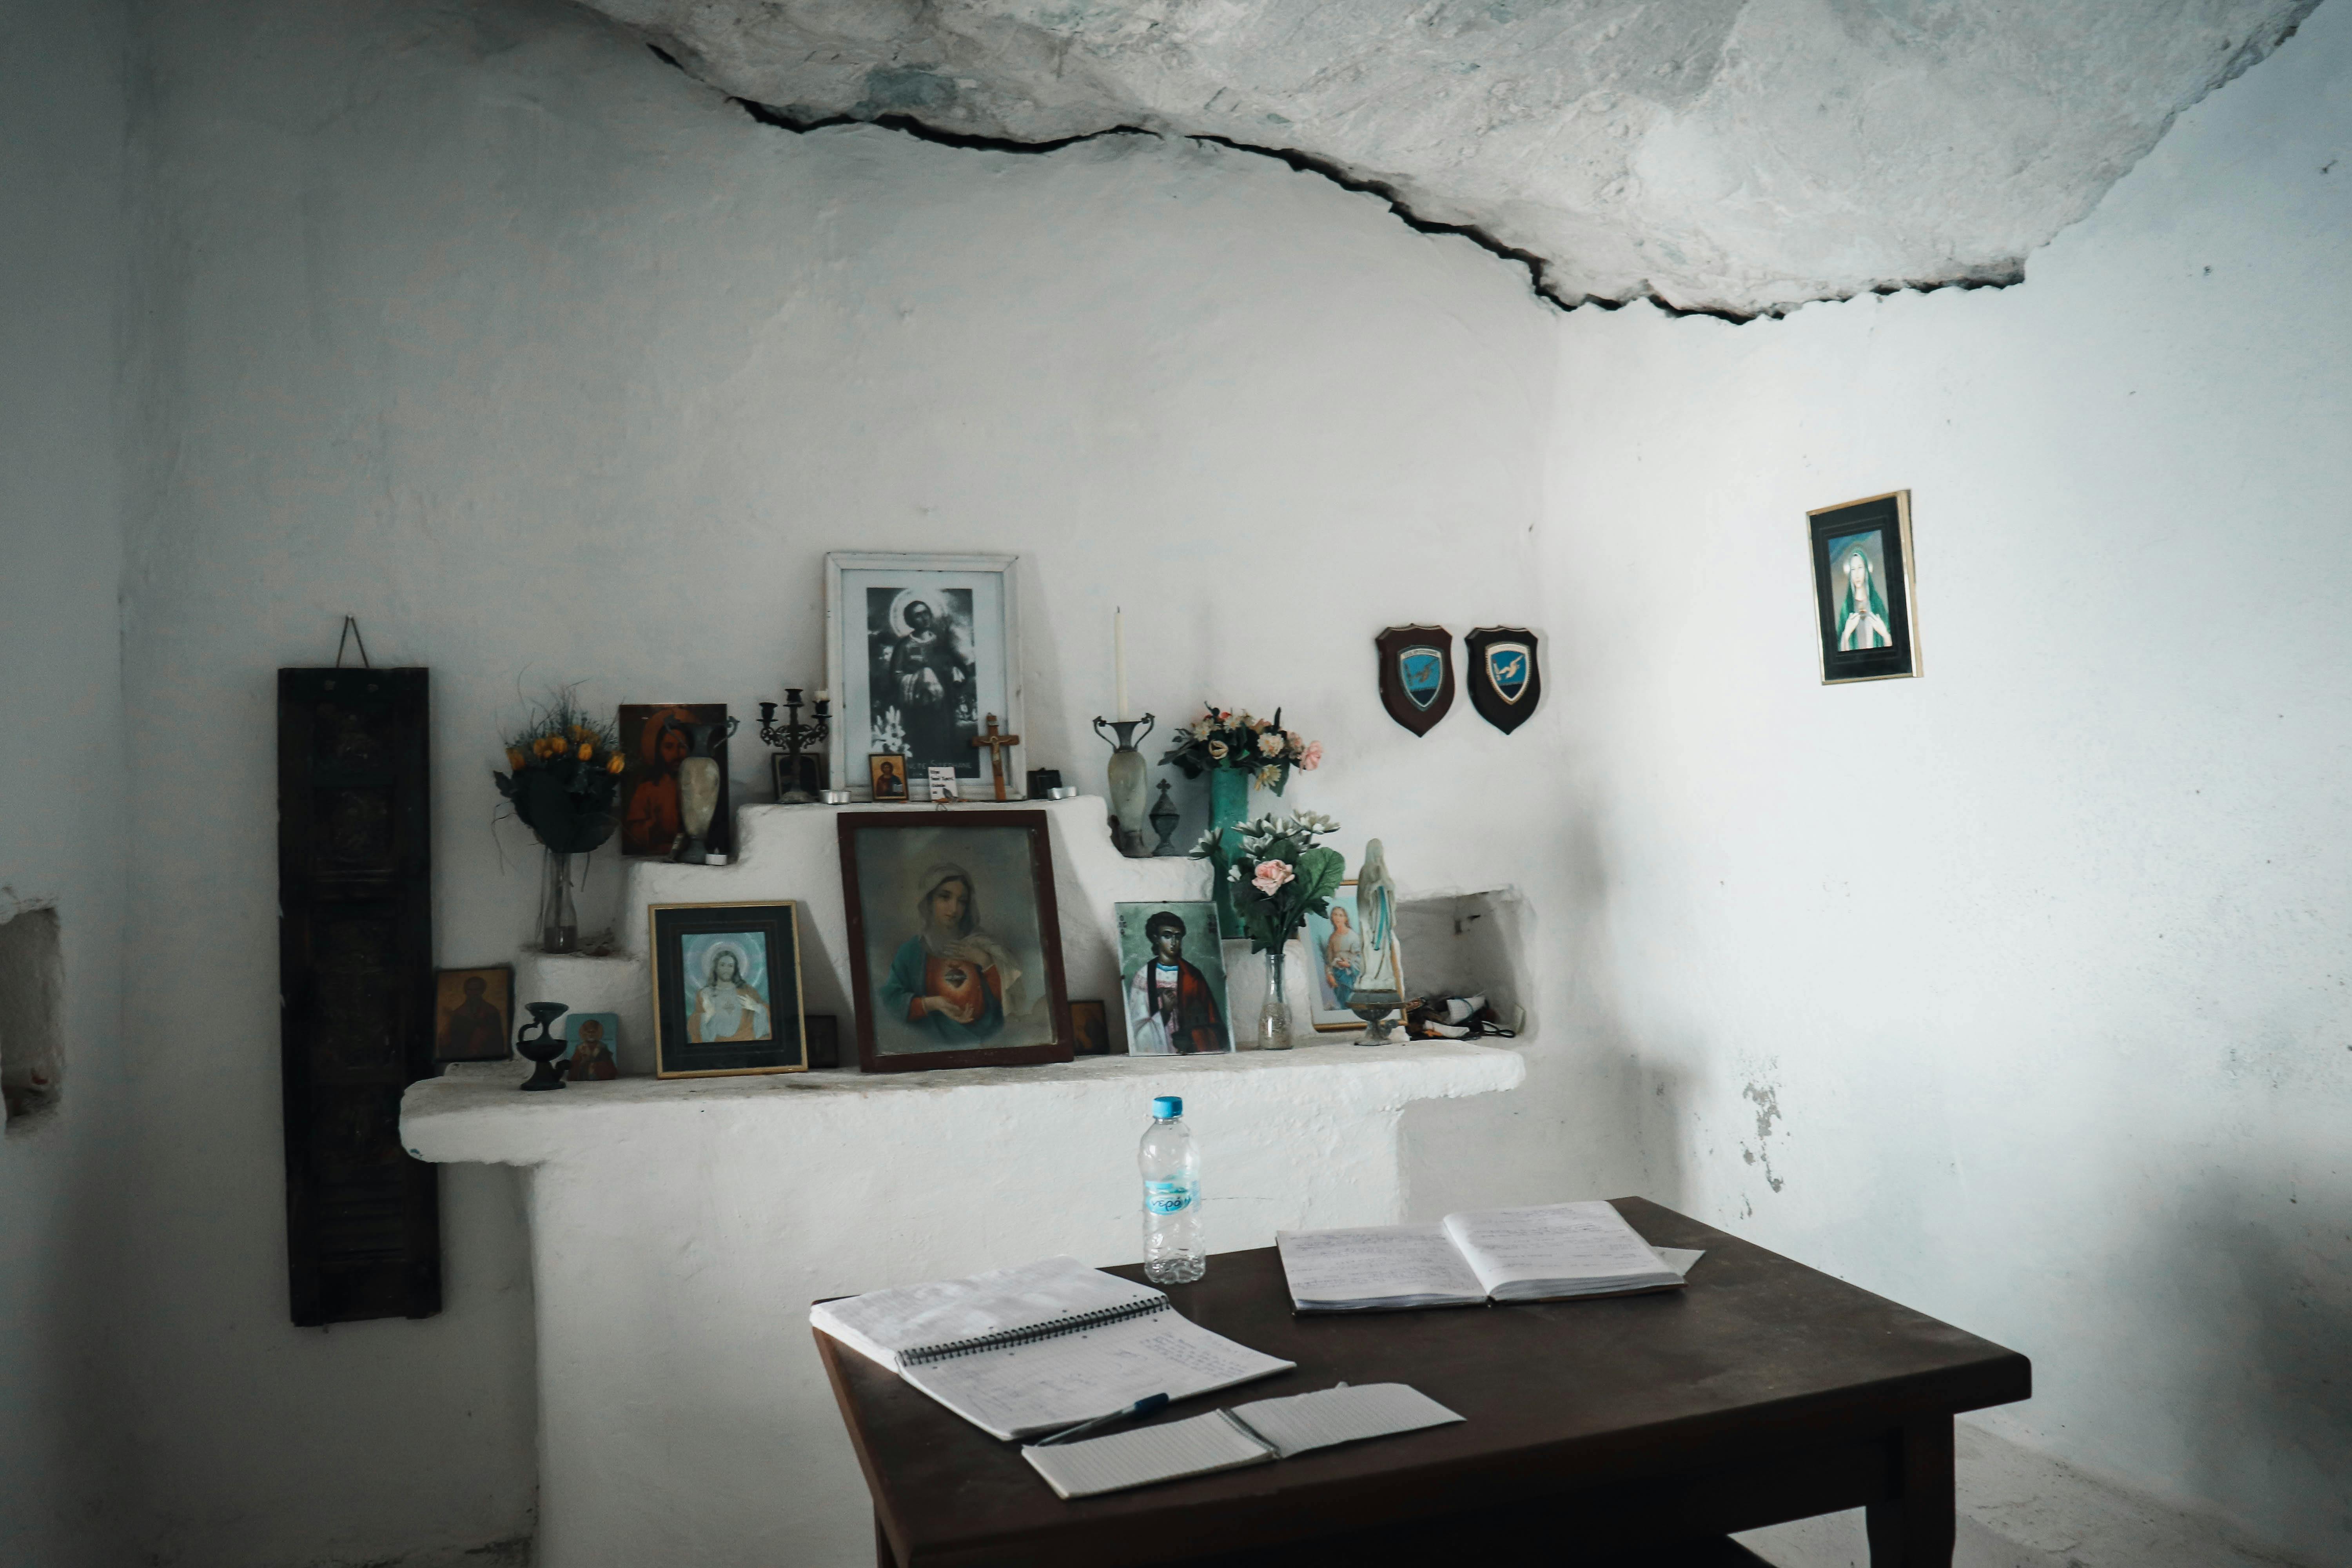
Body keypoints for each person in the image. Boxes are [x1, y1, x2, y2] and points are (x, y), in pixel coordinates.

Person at [880, 864, 1025, 1045]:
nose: (954, 908)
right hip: (933, 1043)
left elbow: (1008, 1000)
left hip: (989, 1041)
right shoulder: (911, 952)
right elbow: (891, 1002)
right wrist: (933, 1004)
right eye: (945, 897)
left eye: (962, 901)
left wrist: (985, 961)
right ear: (929, 901)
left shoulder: (983, 945)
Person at [871, 592, 975, 773]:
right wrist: (920, 678)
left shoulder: (942, 644)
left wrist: (954, 673)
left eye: (926, 612)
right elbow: (896, 676)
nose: (924, 618)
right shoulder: (904, 646)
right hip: (918, 710)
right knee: (923, 745)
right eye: (918, 615)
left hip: (943, 709)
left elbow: (956, 673)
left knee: (944, 745)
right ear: (910, 621)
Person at [1125, 910, 1225, 1054]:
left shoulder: (1193, 975)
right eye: (1167, 936)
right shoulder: (1144, 977)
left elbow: (1214, 1023)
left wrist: (1193, 1038)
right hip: (1159, 1051)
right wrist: (1165, 1011)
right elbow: (1137, 1031)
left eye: (1178, 937)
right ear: (1156, 939)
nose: (1173, 942)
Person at [624, 710, 692, 855]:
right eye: (669, 747)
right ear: (659, 750)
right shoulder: (647, 790)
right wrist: (650, 826)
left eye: (682, 746)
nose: (677, 754)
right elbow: (634, 834)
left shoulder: (698, 788)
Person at [689, 946, 772, 1043]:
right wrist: (708, 1015)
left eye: (730, 966)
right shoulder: (705, 994)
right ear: (716, 968)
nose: (727, 969)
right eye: (723, 965)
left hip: (747, 1043)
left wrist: (757, 1007)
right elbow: (693, 1026)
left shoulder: (748, 991)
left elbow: (770, 1016)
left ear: (735, 969)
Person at [1837, 544, 1892, 650]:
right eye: (1853, 569)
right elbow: (1838, 648)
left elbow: (1892, 646)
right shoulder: (1846, 608)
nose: (1857, 574)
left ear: (1866, 570)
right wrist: (1847, 634)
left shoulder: (1877, 603)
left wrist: (1884, 633)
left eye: (1860, 568)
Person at [441, 975, 505, 1060]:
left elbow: (497, 1039)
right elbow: (453, 1040)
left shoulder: (491, 1011)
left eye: (477, 990)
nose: (473, 993)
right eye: (470, 990)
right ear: (466, 991)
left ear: (482, 991)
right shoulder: (458, 1014)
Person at [1321, 904, 1362, 1008]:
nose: (1338, 918)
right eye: (1335, 915)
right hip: (1337, 975)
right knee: (1343, 1002)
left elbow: (1360, 958)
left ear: (1346, 918)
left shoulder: (1353, 936)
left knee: (1352, 1002)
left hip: (1350, 976)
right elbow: (1329, 960)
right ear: (1332, 918)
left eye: (1341, 915)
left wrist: (1349, 965)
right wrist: (1329, 975)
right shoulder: (1333, 938)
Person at [565, 1017, 619, 1081]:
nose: (591, 1034)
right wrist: (583, 1062)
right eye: (589, 1032)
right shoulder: (580, 1048)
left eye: (593, 1032)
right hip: (583, 1078)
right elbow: (575, 1066)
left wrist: (598, 1065)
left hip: (600, 1078)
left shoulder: (602, 1047)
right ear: (585, 1033)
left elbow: (609, 1065)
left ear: (597, 1033)